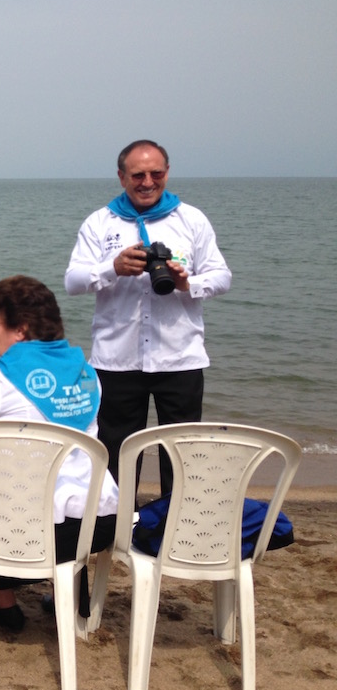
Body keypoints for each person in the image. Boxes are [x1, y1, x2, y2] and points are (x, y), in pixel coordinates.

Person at [65, 140, 231, 497]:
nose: (147, 182)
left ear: (167, 173)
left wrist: (188, 283)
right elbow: (73, 282)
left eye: (156, 173)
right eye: (137, 174)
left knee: (182, 454)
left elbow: (222, 277)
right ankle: (114, 534)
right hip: (117, 359)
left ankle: (174, 538)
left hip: (180, 357)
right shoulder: (101, 222)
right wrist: (113, 268)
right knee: (116, 455)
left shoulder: (191, 219)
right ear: (122, 176)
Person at [0, 276, 119, 631]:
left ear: (21, 330)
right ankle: (68, 597)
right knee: (69, 478)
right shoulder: (87, 372)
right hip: (93, 527)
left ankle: (3, 601)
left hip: (17, 531)